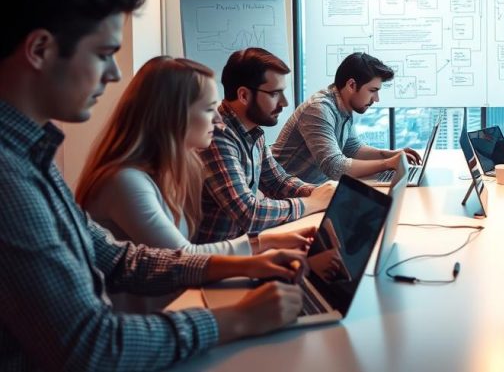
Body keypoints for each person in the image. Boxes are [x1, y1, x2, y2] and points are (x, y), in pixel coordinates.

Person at [0, 0, 308, 370]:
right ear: (39, 50)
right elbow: (90, 346)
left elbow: (119, 259)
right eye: (104, 54)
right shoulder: (9, 176)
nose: (115, 73)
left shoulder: (32, 155)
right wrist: (235, 320)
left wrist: (248, 258)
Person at [76, 57, 313, 265]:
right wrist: (263, 244)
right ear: (174, 115)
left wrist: (267, 243)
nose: (219, 121)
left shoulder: (165, 171)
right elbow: (184, 258)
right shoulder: (124, 181)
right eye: (210, 109)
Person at [195, 48, 336, 243]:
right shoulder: (216, 135)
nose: (285, 103)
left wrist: (322, 193)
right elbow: (248, 214)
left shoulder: (252, 131)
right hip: (218, 262)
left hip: (245, 247)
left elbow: (277, 181)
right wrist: (311, 203)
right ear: (243, 95)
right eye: (275, 93)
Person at [272, 52, 421, 183]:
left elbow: (353, 148)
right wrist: (388, 163)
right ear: (351, 85)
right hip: (286, 196)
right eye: (372, 90)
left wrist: (394, 154)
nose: (376, 99)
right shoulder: (318, 109)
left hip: (314, 190)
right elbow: (335, 167)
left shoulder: (343, 107)